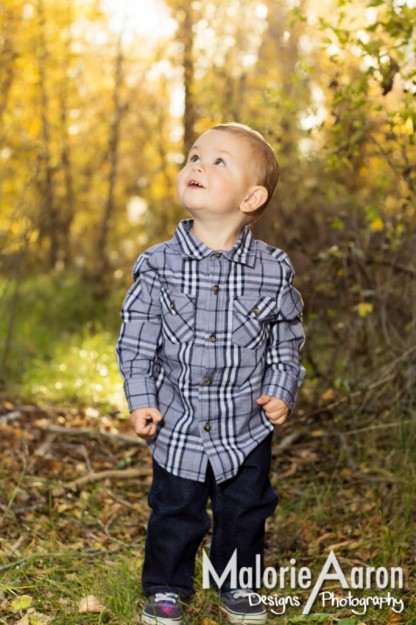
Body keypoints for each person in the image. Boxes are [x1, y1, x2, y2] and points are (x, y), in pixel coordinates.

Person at [116, 122, 305, 625]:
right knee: (175, 512)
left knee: (245, 512)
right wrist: (141, 399)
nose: (197, 165)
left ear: (252, 197)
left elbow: (287, 339)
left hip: (245, 426)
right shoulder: (157, 265)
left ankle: (237, 586)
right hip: (178, 422)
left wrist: (281, 388)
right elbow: (137, 341)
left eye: (219, 161)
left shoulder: (273, 269)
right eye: (195, 156)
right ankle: (165, 586)